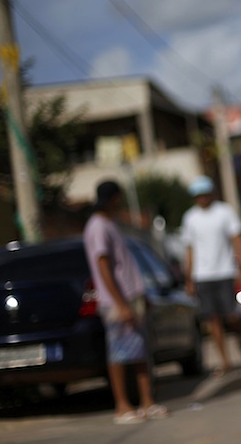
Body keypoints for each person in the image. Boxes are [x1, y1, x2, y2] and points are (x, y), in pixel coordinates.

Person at [82, 180, 169, 425]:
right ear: (113, 198)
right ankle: (122, 406)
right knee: (119, 355)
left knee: (140, 351)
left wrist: (140, 297)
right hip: (117, 301)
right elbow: (103, 266)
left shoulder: (109, 224)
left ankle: (146, 402)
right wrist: (121, 304)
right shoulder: (98, 226)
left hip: (132, 297)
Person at [181, 175, 241, 376]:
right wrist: (188, 278)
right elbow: (189, 249)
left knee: (232, 317)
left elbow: (237, 240)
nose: (201, 198)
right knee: (212, 320)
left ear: (210, 194)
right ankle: (225, 361)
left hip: (224, 272)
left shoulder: (224, 212)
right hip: (203, 276)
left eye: (204, 194)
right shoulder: (190, 218)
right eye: (198, 195)